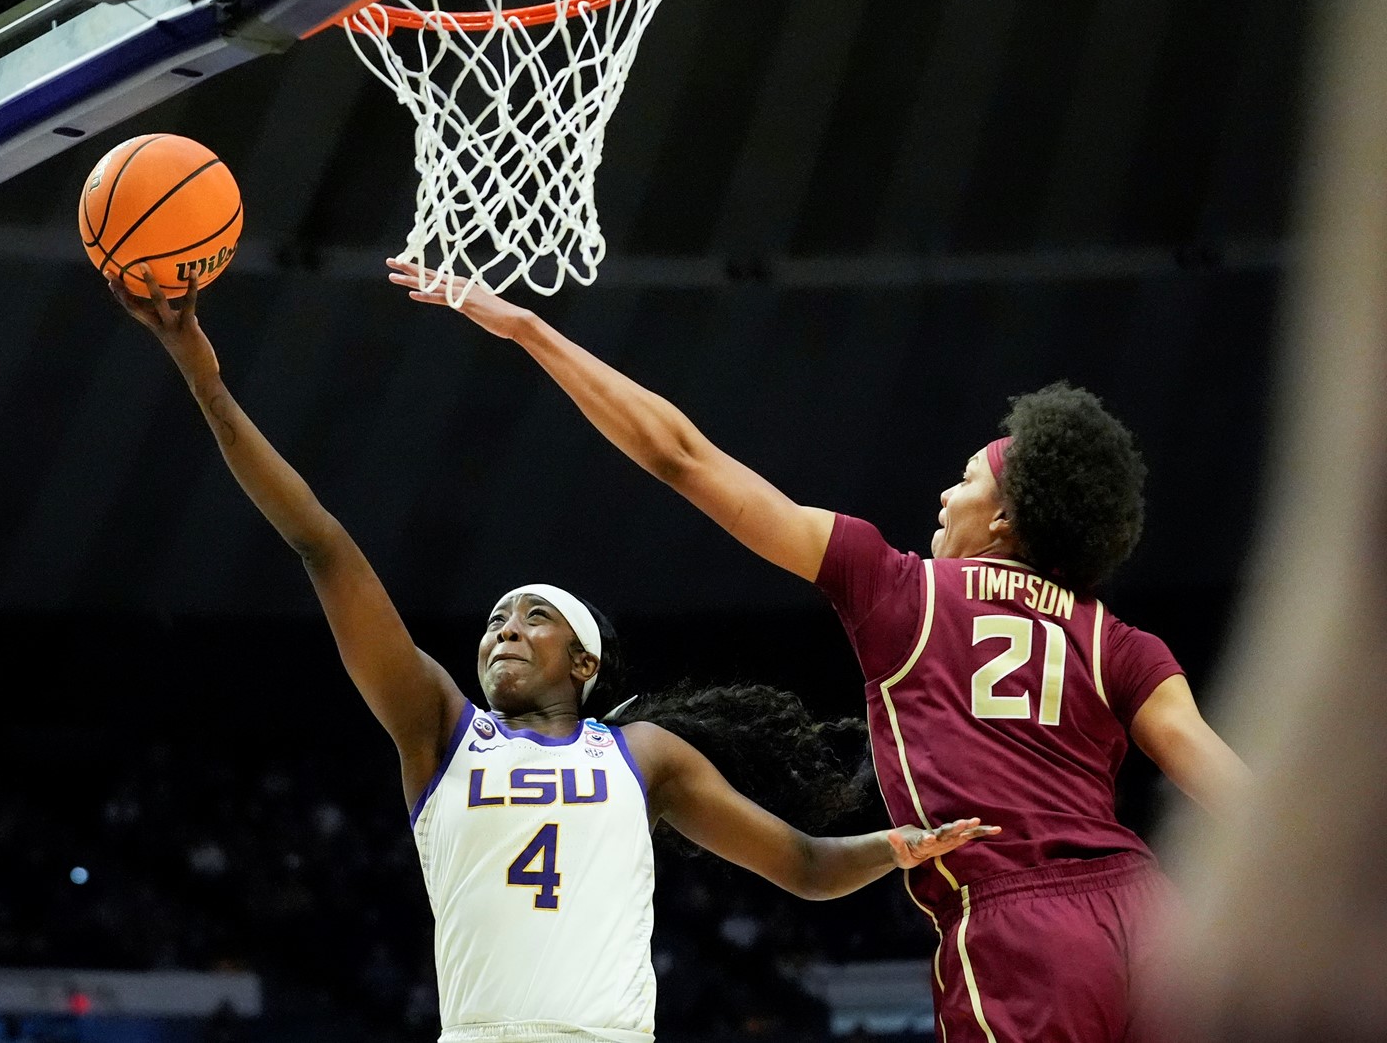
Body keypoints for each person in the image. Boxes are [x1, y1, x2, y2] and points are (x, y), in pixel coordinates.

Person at [110, 268, 995, 1043]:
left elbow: (802, 864)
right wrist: (204, 376)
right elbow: (322, 544)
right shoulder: (439, 730)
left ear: (584, 664)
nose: (503, 627)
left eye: (534, 617)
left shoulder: (641, 756)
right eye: (496, 617)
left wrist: (894, 846)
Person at [387, 257, 1251, 1043]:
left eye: (967, 481)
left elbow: (683, 456)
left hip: (1022, 927)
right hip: (1151, 915)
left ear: (1007, 518)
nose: (946, 495)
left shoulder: (899, 587)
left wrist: (529, 329)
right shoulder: (1123, 641)